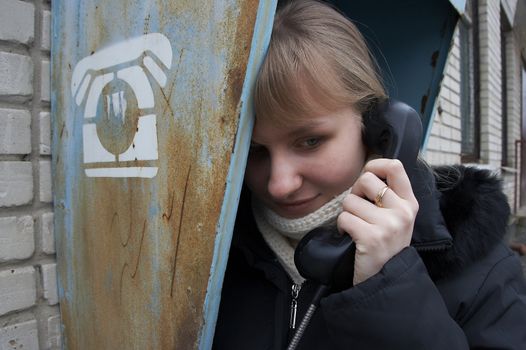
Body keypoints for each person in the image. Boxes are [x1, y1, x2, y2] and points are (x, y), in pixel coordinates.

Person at [213, 0, 526, 349]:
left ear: (378, 128)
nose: (280, 184)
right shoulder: (211, 252)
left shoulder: (482, 273)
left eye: (310, 141)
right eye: (256, 152)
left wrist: (389, 288)